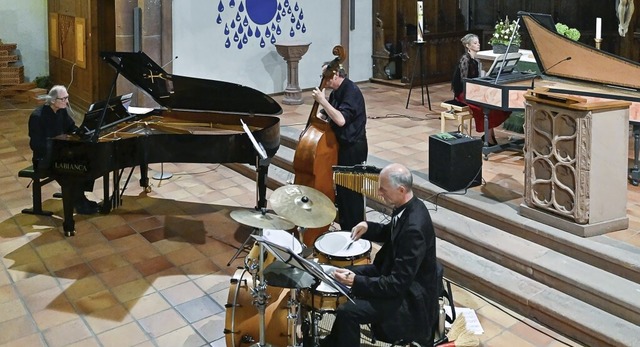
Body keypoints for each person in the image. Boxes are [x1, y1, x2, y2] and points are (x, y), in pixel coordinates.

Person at [319, 163, 438, 347]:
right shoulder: (408, 206)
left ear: (400, 189)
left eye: (383, 189)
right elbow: (391, 232)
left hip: (407, 297)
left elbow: (396, 285)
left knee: (348, 312)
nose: (379, 193)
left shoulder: (414, 228)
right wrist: (368, 227)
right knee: (339, 274)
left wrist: (356, 282)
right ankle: (333, 342)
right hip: (390, 274)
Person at [311, 62, 368, 231]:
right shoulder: (336, 93)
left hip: (354, 148)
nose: (324, 81)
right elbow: (326, 114)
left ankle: (356, 230)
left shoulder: (352, 92)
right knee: (342, 194)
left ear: (336, 74)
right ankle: (345, 227)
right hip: (342, 146)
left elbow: (341, 120)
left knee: (352, 193)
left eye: (326, 77)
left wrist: (323, 102)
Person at [28, 85, 99, 215]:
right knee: (74, 168)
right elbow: (36, 145)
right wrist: (57, 145)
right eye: (64, 99)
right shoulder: (37, 117)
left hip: (60, 154)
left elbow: (71, 127)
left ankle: (79, 196)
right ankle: (77, 200)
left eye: (67, 98)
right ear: (53, 100)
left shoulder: (61, 111)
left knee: (87, 159)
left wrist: (83, 133)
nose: (67, 102)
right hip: (44, 158)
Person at [451, 33, 511, 146]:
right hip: (464, 93)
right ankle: (488, 138)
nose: (478, 45)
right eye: (475, 43)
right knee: (484, 108)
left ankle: (489, 136)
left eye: (478, 42)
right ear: (468, 46)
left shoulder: (477, 60)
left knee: (493, 104)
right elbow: (464, 81)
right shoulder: (465, 59)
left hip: (473, 90)